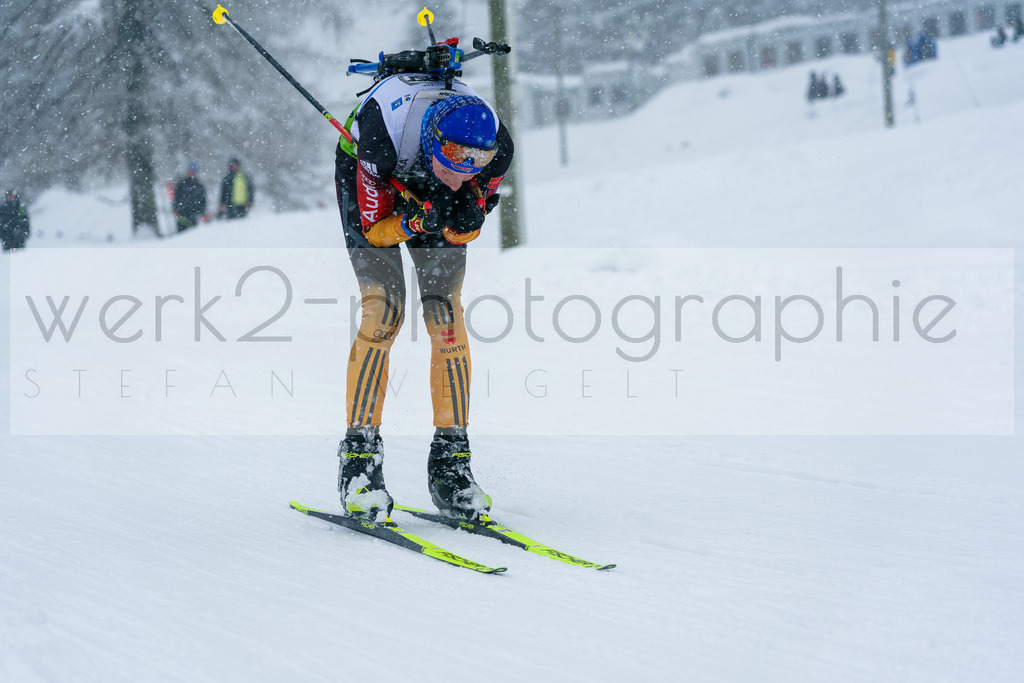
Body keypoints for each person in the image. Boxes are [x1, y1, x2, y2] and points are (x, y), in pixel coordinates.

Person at [332, 74, 513, 521]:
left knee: (445, 315)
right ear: (435, 138)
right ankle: (360, 463)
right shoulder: (381, 143)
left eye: (477, 159)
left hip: (423, 177)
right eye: (457, 155)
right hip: (377, 174)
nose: (465, 167)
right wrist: (413, 223)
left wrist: (462, 218)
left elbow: (464, 221)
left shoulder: (493, 155)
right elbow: (376, 233)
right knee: (384, 311)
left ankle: (452, 465)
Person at [172, 162, 208, 231]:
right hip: (182, 213)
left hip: (194, 214)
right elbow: (176, 197)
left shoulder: (199, 186)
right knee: (181, 234)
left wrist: (202, 213)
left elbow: (203, 201)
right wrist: (175, 209)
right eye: (191, 171)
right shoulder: (181, 184)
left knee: (193, 233)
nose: (192, 173)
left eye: (193, 171)